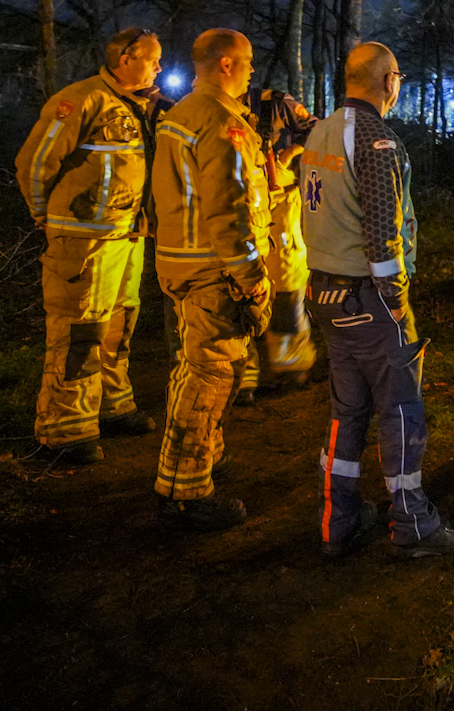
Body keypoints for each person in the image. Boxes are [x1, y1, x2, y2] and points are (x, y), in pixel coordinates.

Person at [301, 42, 454, 559]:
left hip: (326, 295)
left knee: (347, 412)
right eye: (398, 77)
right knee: (401, 409)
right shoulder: (376, 140)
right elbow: (382, 230)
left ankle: (338, 522)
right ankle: (414, 524)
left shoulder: (321, 132)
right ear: (388, 80)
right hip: (368, 299)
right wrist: (396, 298)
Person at [12, 27, 164, 464]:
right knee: (79, 331)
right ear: (124, 59)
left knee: (118, 325)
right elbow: (35, 161)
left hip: (126, 238)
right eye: (152, 59)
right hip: (84, 241)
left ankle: (110, 407)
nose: (158, 67)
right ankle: (64, 431)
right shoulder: (81, 99)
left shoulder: (138, 107)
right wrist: (46, 216)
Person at [147, 29, 272, 531]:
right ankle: (184, 489)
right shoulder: (222, 123)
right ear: (224, 64)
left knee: (198, 369)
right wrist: (250, 275)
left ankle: (205, 456)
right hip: (213, 270)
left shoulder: (181, 115)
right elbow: (228, 208)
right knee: (210, 375)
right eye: (246, 63)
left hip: (184, 263)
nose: (251, 72)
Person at [236, 87, 319, 404]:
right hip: (238, 202)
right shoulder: (212, 107)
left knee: (286, 281)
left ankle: (290, 363)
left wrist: (290, 154)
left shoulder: (276, 104)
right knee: (240, 281)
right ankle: (243, 374)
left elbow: (317, 133)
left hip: (280, 200)